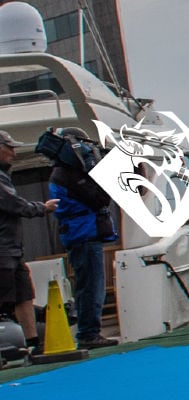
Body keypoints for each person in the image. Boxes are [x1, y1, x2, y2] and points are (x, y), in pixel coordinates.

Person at [45, 128, 119, 349]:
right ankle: (89, 333)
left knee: (89, 283)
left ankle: (89, 332)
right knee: (91, 285)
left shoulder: (62, 172)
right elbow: (100, 199)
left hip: (81, 233)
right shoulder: (69, 174)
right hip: (83, 234)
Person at [0, 130, 59, 356]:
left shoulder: (4, 176)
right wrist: (43, 208)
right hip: (3, 250)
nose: (14, 152)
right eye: (10, 147)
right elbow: (14, 204)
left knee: (24, 294)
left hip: (12, 249)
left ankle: (32, 343)